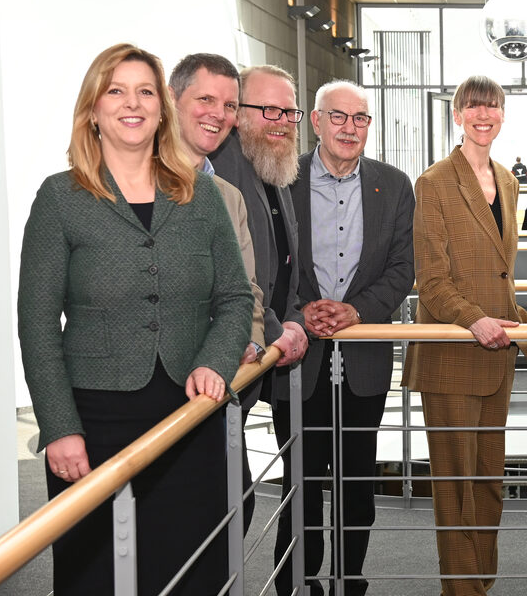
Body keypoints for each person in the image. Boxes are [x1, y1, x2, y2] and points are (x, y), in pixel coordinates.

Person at [18, 43, 252, 595]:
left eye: (145, 90)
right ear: (93, 109)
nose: (133, 102)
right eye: (116, 90)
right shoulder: (60, 198)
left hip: (191, 418)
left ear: (161, 108)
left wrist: (217, 361)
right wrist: (60, 428)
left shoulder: (200, 195)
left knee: (192, 572)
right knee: (95, 577)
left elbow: (236, 298)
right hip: (94, 426)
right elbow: (36, 322)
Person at [278, 80, 416, 596]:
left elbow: (404, 268)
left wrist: (356, 310)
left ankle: (349, 578)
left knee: (356, 482)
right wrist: (297, 313)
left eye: (360, 119)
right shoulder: (283, 181)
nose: (349, 128)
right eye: (339, 117)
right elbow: (268, 266)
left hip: (364, 364)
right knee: (303, 480)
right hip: (299, 360)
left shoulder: (394, 185)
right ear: (315, 122)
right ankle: (300, 581)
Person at [402, 75, 527, 596]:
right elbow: (431, 278)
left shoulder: (506, 178)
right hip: (453, 352)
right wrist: (474, 319)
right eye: (474, 107)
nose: (485, 115)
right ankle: (462, 592)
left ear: (502, 114)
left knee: (489, 487)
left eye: (493, 107)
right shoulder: (434, 182)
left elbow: (501, 270)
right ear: (457, 115)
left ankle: (480, 584)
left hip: (497, 354)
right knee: (455, 491)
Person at [169, 52, 267, 531]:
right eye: (205, 99)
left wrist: (246, 341)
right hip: (152, 392)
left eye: (229, 105)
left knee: (231, 512)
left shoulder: (228, 195)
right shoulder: (131, 183)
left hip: (215, 384)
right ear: (173, 100)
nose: (219, 114)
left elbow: (245, 290)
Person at [209, 64, 309, 405]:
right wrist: (275, 328)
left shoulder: (272, 164)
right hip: (225, 361)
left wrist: (292, 319)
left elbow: (284, 260)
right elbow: (231, 274)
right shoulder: (222, 167)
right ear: (238, 113)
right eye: (268, 109)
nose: (281, 120)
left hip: (263, 351)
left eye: (289, 111)